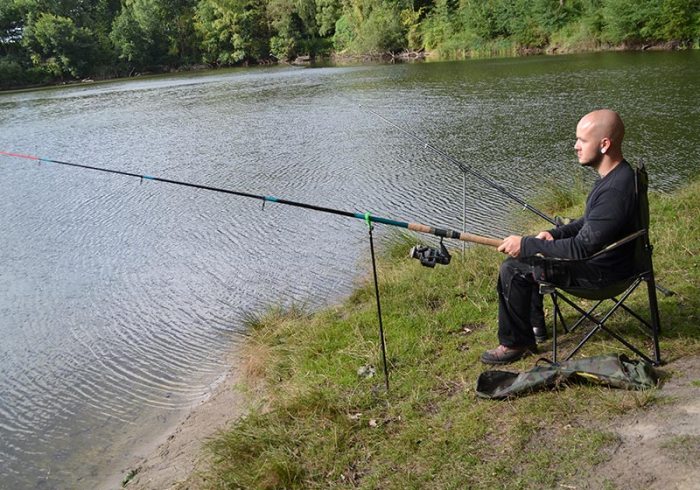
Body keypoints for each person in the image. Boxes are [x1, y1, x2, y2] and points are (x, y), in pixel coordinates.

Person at [481, 109, 637, 365]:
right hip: (613, 263)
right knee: (531, 254)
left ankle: (514, 343)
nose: (575, 146)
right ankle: (535, 329)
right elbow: (588, 222)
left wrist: (528, 244)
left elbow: (581, 249)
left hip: (603, 275)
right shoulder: (617, 176)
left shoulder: (615, 191)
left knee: (513, 268)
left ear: (604, 144)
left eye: (582, 141)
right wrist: (553, 235)